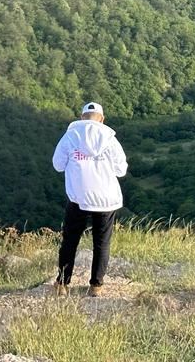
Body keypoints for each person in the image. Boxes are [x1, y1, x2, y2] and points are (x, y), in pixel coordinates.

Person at [52, 102, 128, 297]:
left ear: (82, 117)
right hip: (106, 198)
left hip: (78, 197)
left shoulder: (70, 137)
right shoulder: (110, 139)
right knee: (101, 243)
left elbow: (58, 165)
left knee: (70, 241)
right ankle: (96, 286)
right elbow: (121, 170)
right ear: (102, 119)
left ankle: (62, 284)